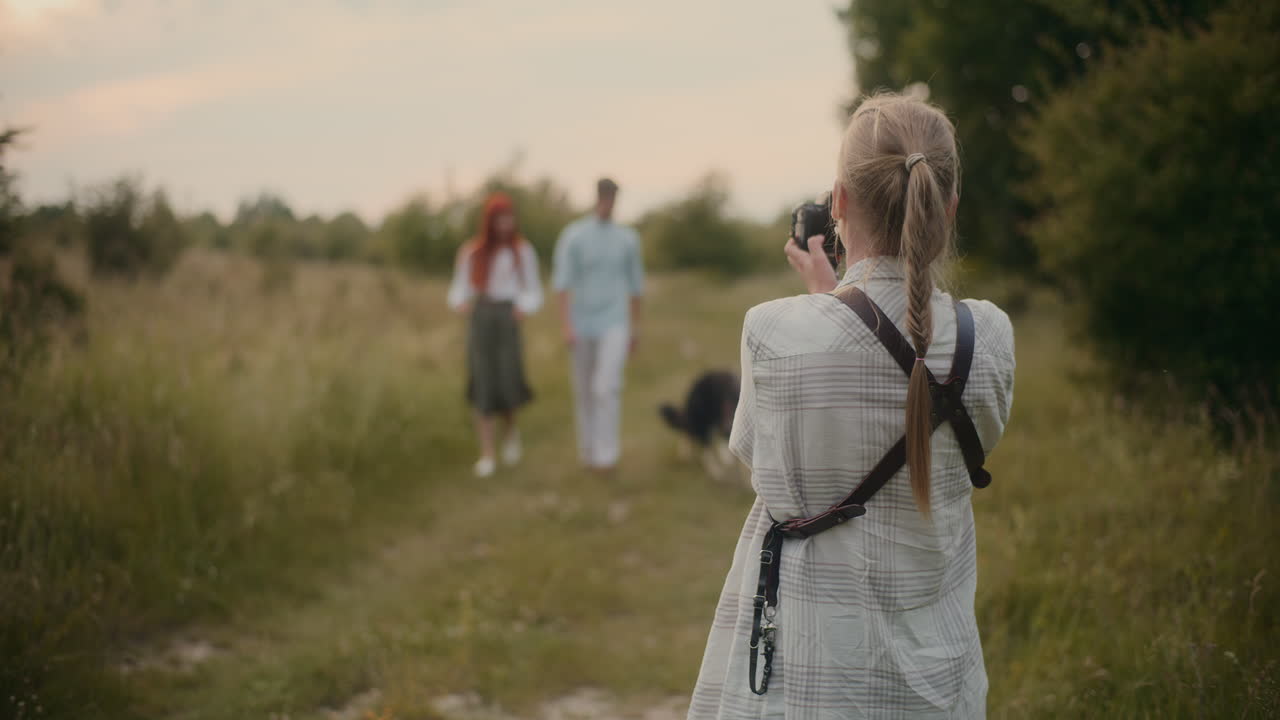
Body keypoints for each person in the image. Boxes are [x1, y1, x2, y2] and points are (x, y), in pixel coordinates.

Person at [687, 93, 1016, 718]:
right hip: (942, 680)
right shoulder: (989, 337)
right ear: (947, 209)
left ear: (838, 202)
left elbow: (767, 473)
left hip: (814, 678)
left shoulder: (772, 330)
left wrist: (829, 303)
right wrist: (838, 303)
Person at [447, 192, 544, 478]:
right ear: (490, 222)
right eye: (499, 220)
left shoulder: (522, 251)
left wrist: (524, 308)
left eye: (508, 219)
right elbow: (458, 289)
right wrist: (461, 303)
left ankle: (511, 433)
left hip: (508, 317)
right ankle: (487, 452)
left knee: (508, 378)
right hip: (481, 317)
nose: (504, 225)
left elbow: (533, 290)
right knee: (483, 381)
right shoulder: (472, 252)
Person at [551, 177, 645, 473]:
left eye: (612, 197)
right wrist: (566, 325)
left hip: (615, 321)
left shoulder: (627, 239)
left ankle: (607, 454)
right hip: (582, 321)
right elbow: (562, 284)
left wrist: (634, 329)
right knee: (585, 390)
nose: (608, 202)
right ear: (597, 197)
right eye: (604, 196)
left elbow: (635, 287)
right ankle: (589, 451)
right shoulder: (574, 236)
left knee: (606, 386)